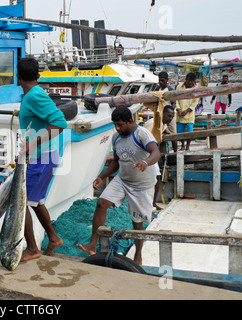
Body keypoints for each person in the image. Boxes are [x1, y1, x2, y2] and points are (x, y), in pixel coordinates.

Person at [77, 107, 160, 265]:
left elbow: (156, 152)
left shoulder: (142, 134)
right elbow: (116, 162)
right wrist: (101, 176)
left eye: (120, 124)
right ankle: (92, 245)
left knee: (137, 221)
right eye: (115, 124)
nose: (117, 128)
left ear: (130, 121)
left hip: (142, 185)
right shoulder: (116, 137)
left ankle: (138, 254)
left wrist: (145, 162)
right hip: (122, 180)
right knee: (101, 203)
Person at [17, 57, 67, 262]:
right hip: (41, 156)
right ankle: (53, 238)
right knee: (35, 201)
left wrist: (33, 144)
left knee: (22, 202)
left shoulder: (35, 96)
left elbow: (60, 122)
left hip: (41, 157)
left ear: (18, 76)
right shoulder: (32, 94)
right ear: (37, 75)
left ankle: (32, 248)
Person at [143, 105, 176, 210]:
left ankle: (152, 203)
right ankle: (150, 204)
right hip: (145, 154)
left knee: (156, 178)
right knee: (153, 179)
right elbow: (143, 139)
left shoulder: (164, 125)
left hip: (152, 154)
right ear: (162, 114)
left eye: (172, 116)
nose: (170, 118)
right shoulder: (152, 124)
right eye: (169, 116)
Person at [175, 72, 199, 151]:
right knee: (180, 132)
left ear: (194, 81)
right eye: (188, 80)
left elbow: (195, 102)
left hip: (190, 113)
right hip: (180, 112)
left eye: (191, 81)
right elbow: (176, 100)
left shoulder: (196, 89)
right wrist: (178, 109)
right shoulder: (179, 87)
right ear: (186, 79)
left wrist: (187, 110)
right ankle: (182, 146)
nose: (189, 82)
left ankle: (188, 147)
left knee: (189, 131)